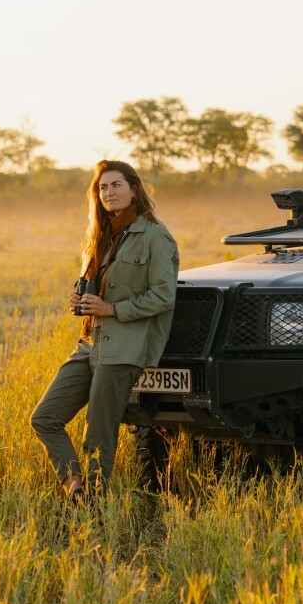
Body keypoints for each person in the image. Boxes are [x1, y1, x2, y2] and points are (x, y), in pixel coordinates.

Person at [30, 160, 178, 498]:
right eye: (102, 187)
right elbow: (98, 287)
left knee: (98, 433)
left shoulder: (155, 236)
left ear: (134, 189)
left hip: (123, 346)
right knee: (44, 417)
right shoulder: (100, 236)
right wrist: (80, 297)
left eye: (115, 185)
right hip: (89, 342)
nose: (108, 192)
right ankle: (74, 486)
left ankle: (95, 506)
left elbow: (164, 296)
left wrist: (111, 309)